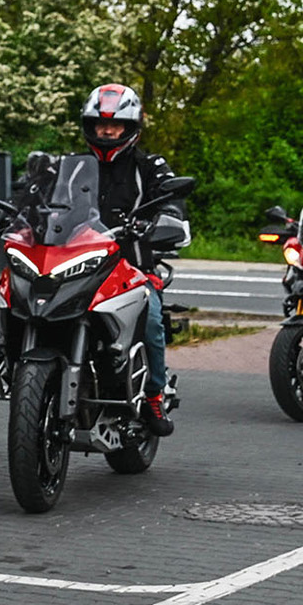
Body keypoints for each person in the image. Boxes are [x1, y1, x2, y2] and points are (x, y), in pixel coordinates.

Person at [79, 83, 188, 436]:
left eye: (116, 125)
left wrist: (166, 219)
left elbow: (172, 200)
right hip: (80, 263)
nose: (107, 132)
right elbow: (36, 195)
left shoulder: (149, 166)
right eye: (101, 124)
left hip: (132, 266)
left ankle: (154, 393)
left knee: (151, 318)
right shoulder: (72, 167)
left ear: (130, 128)